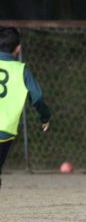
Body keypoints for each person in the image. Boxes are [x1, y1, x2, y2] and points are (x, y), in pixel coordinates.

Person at [0, 27, 51, 188]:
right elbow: (37, 97)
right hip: (4, 130)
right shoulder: (21, 70)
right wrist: (44, 117)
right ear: (18, 48)